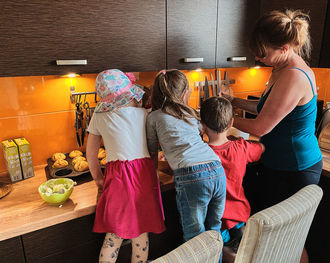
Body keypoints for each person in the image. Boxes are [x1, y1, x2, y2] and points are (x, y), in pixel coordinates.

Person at [222, 10, 322, 263]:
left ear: (285, 47)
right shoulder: (282, 67)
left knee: (291, 237)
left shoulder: (293, 76)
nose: (258, 57)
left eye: (263, 52)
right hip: (279, 164)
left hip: (295, 167)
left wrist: (221, 121)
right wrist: (233, 101)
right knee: (279, 235)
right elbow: (266, 109)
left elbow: (261, 127)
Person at [86, 69, 165, 263]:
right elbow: (152, 149)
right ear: (130, 93)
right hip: (144, 176)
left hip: (118, 178)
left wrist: (98, 179)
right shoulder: (143, 113)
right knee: (141, 233)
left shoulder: (99, 115)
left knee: (114, 236)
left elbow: (91, 154)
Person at [146, 69, 226, 247]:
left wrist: (155, 177)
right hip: (217, 169)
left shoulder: (153, 117)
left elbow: (151, 153)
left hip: (192, 176)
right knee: (214, 230)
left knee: (194, 236)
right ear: (184, 93)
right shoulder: (190, 113)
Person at [200, 97, 264, 262]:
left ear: (203, 125)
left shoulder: (201, 154)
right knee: (242, 253)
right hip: (240, 215)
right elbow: (261, 148)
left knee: (222, 254)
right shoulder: (241, 147)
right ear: (231, 124)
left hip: (216, 220)